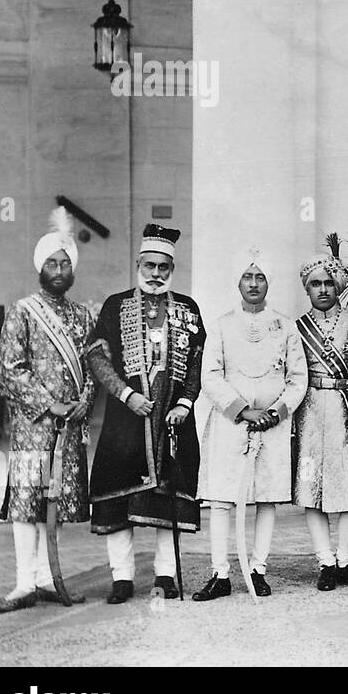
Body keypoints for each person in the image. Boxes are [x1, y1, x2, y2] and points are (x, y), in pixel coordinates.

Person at [87, 223, 205, 604]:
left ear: (172, 269)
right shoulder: (115, 304)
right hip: (126, 422)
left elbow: (198, 363)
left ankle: (166, 575)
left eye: (163, 267)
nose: (156, 273)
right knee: (117, 498)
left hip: (172, 420)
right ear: (139, 263)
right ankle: (122, 578)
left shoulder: (187, 308)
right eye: (150, 265)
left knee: (168, 498)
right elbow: (96, 356)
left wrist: (186, 403)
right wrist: (125, 394)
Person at [0, 208, 95, 613]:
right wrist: (50, 404)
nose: (58, 269)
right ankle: (23, 583)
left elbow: (91, 367)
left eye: (65, 263)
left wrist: (80, 404)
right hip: (34, 425)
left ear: (72, 270)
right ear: (40, 267)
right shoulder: (22, 311)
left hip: (68, 427)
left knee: (57, 501)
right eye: (51, 262)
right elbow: (10, 368)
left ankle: (48, 577)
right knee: (27, 500)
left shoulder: (83, 315)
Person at [194, 248, 306, 601]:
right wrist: (242, 410)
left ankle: (257, 568)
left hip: (271, 425)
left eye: (260, 277)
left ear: (268, 282)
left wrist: (276, 412)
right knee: (222, 499)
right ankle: (220, 573)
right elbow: (209, 376)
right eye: (247, 277)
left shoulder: (286, 326)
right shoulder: (223, 324)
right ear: (238, 282)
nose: (253, 284)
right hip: (231, 425)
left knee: (267, 498)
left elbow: (298, 378)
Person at [294, 252, 348, 591]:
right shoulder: (297, 329)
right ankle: (325, 561)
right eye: (315, 284)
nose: (322, 289)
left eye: (327, 282)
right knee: (312, 487)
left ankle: (345, 561)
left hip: (347, 410)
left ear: (337, 285)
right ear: (306, 289)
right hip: (310, 412)